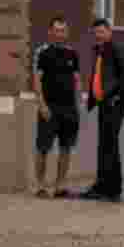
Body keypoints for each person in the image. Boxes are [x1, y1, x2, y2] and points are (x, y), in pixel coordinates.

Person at [80, 18, 124, 202]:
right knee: (104, 145)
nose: (99, 35)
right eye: (96, 32)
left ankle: (113, 190)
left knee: (110, 145)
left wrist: (118, 97)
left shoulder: (117, 48)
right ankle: (101, 186)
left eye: (102, 32)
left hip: (114, 104)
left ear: (109, 32)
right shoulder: (99, 51)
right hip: (103, 103)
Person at [32, 15, 82, 198]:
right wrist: (42, 105)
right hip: (49, 107)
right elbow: (36, 81)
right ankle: (40, 185)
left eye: (63, 30)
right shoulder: (42, 53)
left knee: (66, 148)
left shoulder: (72, 54)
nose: (60, 34)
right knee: (43, 148)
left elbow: (77, 81)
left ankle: (60, 186)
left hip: (69, 108)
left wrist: (78, 103)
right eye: (57, 30)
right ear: (50, 32)